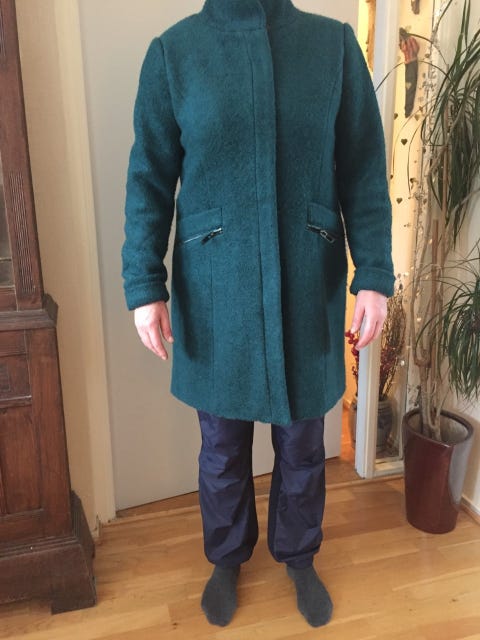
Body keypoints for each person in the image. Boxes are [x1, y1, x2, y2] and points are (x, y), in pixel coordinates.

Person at [121, 0, 394, 628]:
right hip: (216, 288)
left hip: (307, 281)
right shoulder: (175, 54)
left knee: (303, 445)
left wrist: (374, 276)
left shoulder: (333, 48)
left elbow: (362, 168)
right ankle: (226, 557)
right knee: (221, 447)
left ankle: (299, 555)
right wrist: (144, 285)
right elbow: (149, 178)